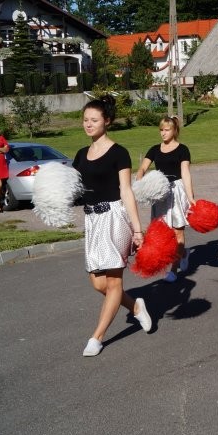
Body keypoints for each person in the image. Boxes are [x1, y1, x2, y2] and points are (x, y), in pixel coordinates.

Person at [72, 97, 151, 356]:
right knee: (98, 284)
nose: (88, 124)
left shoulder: (119, 153)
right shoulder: (81, 155)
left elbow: (126, 191)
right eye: (85, 120)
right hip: (92, 221)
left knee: (114, 282)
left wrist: (137, 230)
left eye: (94, 120)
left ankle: (97, 338)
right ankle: (135, 307)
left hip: (115, 218)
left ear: (107, 121)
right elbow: (76, 189)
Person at [136, 116, 195, 283]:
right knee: (162, 231)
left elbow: (185, 173)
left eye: (167, 130)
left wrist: (190, 197)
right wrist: (140, 180)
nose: (163, 133)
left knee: (177, 231)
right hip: (160, 193)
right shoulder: (154, 149)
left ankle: (173, 269)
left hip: (176, 192)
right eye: (161, 130)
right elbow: (142, 168)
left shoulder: (183, 149)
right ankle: (184, 253)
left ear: (174, 130)